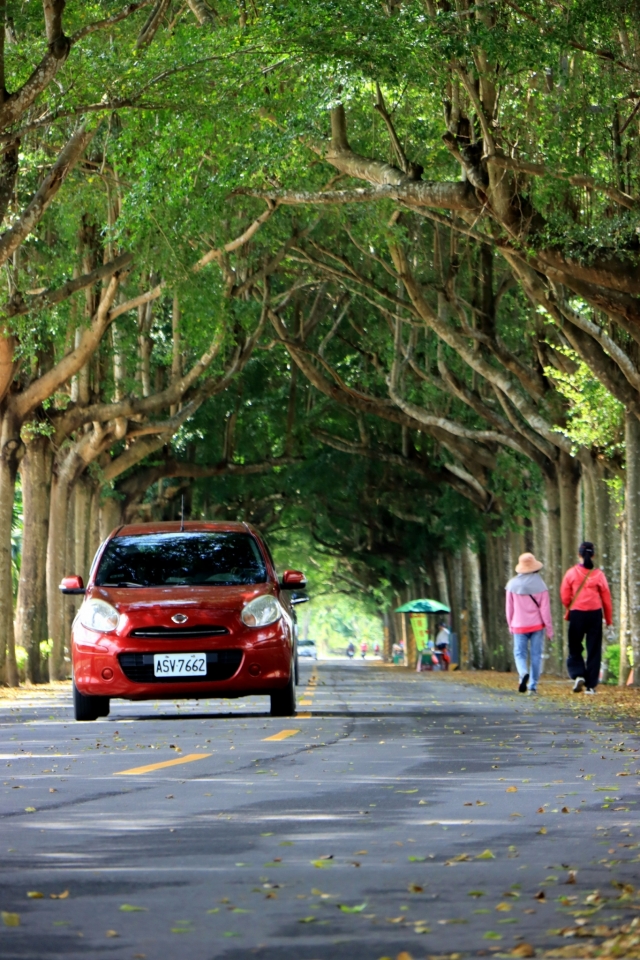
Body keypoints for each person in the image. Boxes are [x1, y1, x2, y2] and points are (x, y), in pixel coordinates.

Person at [560, 541, 612, 695]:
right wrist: (608, 619)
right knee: (594, 649)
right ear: (593, 555)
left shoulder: (571, 573)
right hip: (595, 614)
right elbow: (606, 599)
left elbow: (564, 595)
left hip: (577, 613)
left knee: (575, 646)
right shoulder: (599, 575)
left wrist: (571, 605)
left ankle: (578, 674)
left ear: (579, 554)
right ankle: (591, 685)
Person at [505, 552, 554, 695]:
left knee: (519, 653)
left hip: (518, 624)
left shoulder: (512, 585)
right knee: (536, 655)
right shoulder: (541, 585)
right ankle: (533, 685)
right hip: (537, 626)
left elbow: (509, 609)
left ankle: (522, 674)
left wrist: (510, 625)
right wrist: (549, 630)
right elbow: (545, 610)